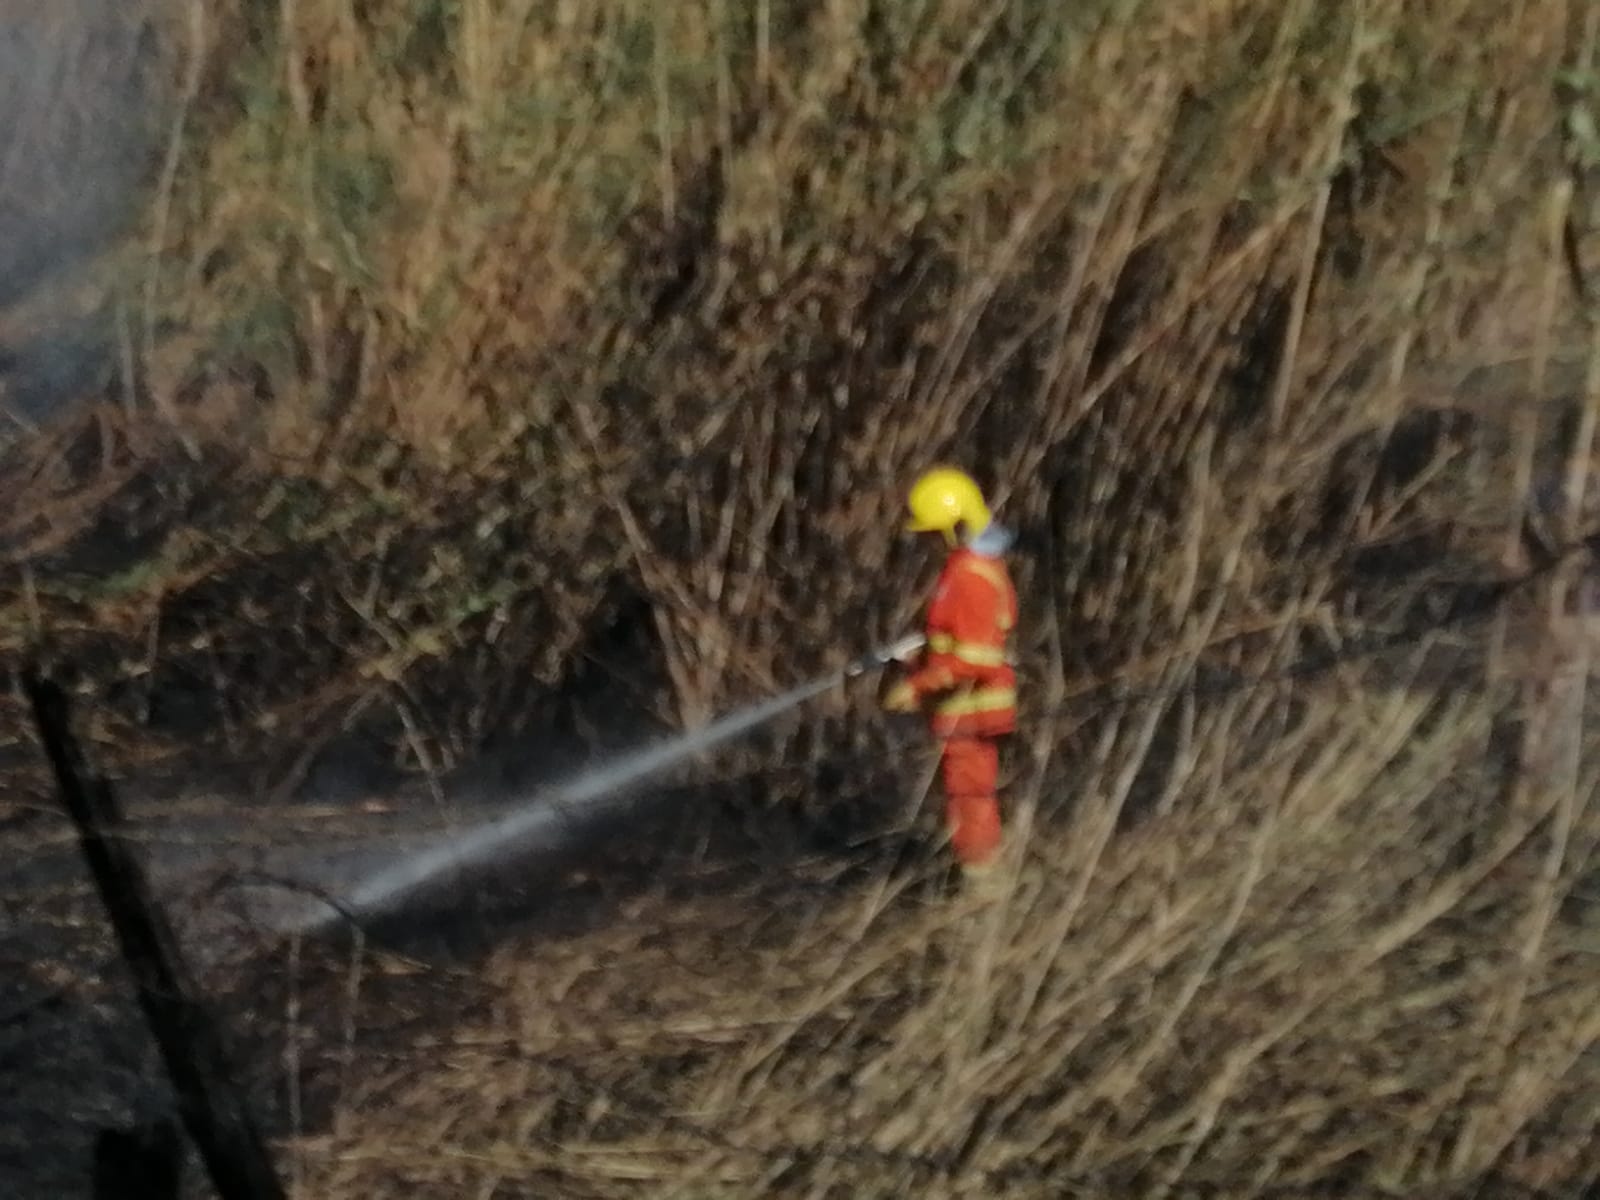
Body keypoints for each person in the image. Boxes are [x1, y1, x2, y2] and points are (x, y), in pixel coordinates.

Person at [883, 467, 1018, 891]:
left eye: (932, 533)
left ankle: (983, 893)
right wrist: (917, 654)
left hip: (971, 710)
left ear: (953, 528)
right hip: (965, 706)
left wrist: (916, 686)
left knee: (970, 798)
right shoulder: (972, 568)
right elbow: (956, 639)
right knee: (968, 796)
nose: (926, 544)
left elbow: (974, 658)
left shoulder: (969, 576)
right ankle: (980, 879)